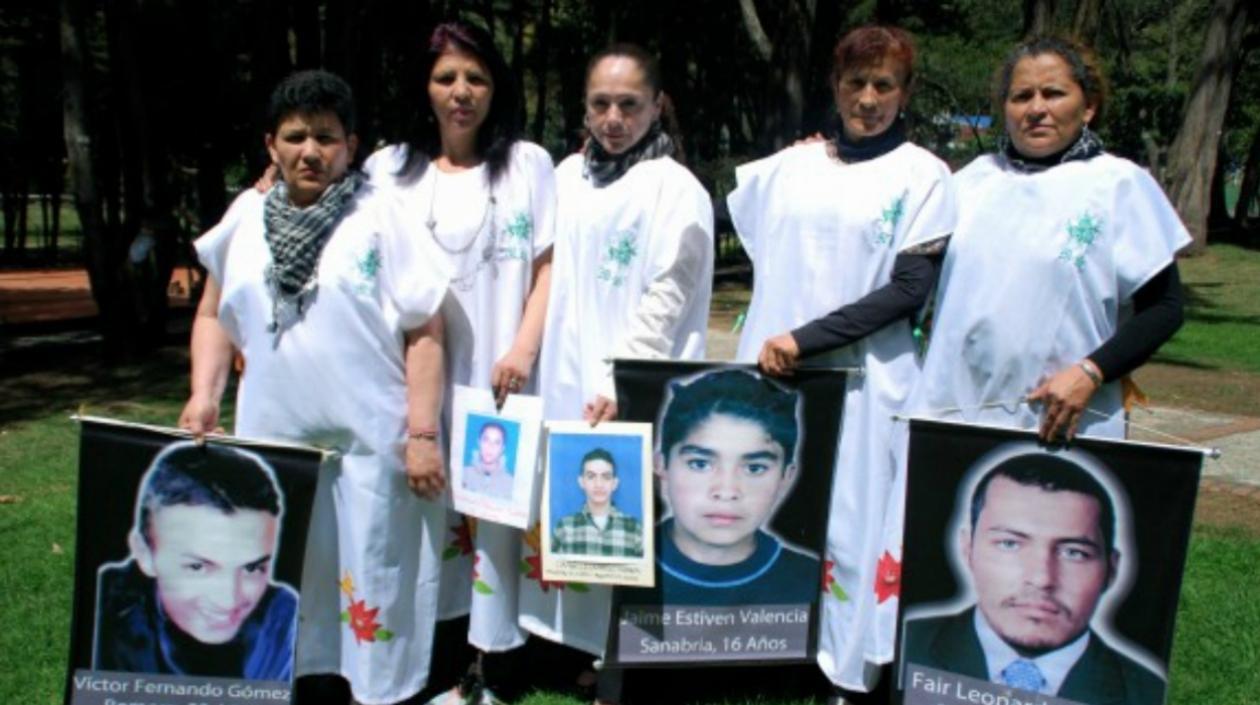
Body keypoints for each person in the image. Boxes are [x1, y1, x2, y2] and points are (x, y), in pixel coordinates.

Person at [179, 70, 450, 705]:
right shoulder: (244, 217)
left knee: (373, 574)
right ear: (271, 144)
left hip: (371, 448)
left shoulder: (383, 216)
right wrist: (203, 394)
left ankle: (379, 693)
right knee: (279, 572)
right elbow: (213, 317)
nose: (311, 151)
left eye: (326, 138)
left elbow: (426, 330)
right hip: (272, 449)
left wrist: (422, 434)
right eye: (296, 137)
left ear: (350, 145)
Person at [726, 25, 957, 697]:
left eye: (884, 84)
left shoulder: (925, 176)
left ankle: (847, 669)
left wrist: (808, 337)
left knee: (853, 525)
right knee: (773, 510)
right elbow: (707, 217)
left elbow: (910, 290)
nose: (867, 98)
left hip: (863, 382)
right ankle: (769, 650)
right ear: (834, 86)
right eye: (855, 82)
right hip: (775, 378)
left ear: (905, 93)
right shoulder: (793, 166)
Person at [357, 22, 557, 705]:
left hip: (498, 380)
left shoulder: (527, 164)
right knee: (420, 519)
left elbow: (547, 264)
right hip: (412, 379)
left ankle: (495, 667)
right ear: (425, 87)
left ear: (495, 87)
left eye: (476, 77)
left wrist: (525, 346)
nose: (461, 92)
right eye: (447, 78)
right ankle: (427, 662)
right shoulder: (387, 169)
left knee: (495, 522)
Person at [519, 42, 713, 702]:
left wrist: (618, 378)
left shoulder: (674, 187)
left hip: (631, 382)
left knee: (635, 518)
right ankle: (576, 648)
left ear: (656, 105)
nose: (613, 118)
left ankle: (626, 666)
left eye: (629, 104)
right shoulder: (567, 175)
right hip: (564, 374)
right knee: (582, 511)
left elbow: (670, 293)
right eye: (600, 103)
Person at [913, 35, 1187, 442]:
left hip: (1063, 421)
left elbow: (1165, 307)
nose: (1036, 108)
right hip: (953, 415)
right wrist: (820, 158)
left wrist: (1090, 372)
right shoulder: (968, 184)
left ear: (1088, 106)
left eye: (1053, 93)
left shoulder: (1119, 185)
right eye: (1021, 96)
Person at [901, 453, 1164, 705]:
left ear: (1111, 570)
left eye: (1074, 553)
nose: (1041, 578)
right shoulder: (903, 647)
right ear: (968, 550)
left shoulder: (1148, 694)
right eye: (1009, 544)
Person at [93, 442, 297, 680]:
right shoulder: (100, 609)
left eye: (253, 568)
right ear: (144, 554)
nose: (228, 601)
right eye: (197, 567)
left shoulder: (282, 619)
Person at [651, 368, 818, 606]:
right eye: (700, 464)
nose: (727, 491)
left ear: (786, 477)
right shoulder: (624, 566)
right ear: (661, 466)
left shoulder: (813, 581)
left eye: (755, 468)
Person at [551, 448, 643, 558]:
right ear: (581, 482)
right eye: (591, 476)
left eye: (606, 477)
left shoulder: (635, 529)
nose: (599, 484)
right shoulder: (564, 528)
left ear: (615, 483)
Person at [462, 421, 514, 500]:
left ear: (502, 449)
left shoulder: (511, 484)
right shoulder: (464, 473)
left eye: (496, 442)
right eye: (486, 440)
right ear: (479, 442)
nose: (490, 446)